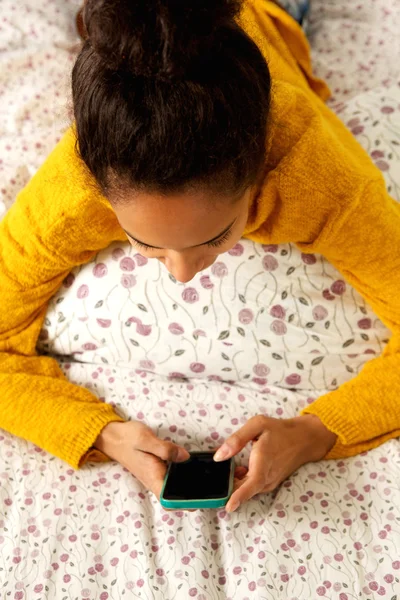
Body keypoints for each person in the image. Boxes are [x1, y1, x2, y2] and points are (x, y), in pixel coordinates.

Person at [1, 0, 399, 515]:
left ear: (259, 172)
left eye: (215, 237)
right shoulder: (74, 191)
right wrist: (102, 434)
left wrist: (317, 430)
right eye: (144, 241)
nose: (183, 275)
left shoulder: (315, 176)